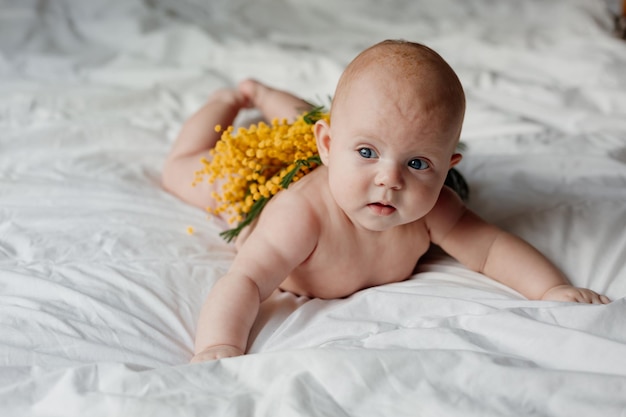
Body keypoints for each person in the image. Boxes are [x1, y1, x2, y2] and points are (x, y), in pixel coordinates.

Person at [162, 40, 611, 363]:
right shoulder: (300, 216)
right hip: (263, 179)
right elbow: (245, 281)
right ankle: (237, 97)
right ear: (330, 145)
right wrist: (219, 346)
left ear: (448, 163)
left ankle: (276, 100)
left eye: (418, 163)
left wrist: (550, 290)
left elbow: (492, 248)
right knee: (188, 173)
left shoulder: (434, 209)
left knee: (321, 122)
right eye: (366, 153)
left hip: (329, 142)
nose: (389, 180)